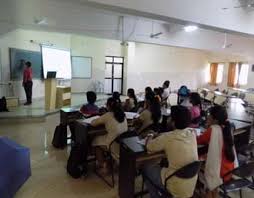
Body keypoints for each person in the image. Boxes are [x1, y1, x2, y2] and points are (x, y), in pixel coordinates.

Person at [142, 105, 198, 198]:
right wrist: (161, 135)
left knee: (146, 168)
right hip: (190, 185)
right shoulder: (192, 132)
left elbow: (149, 146)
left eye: (170, 117)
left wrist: (150, 135)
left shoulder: (168, 138)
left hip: (174, 184)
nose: (168, 119)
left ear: (174, 122)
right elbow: (175, 134)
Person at [197, 105, 236, 198]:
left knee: (198, 166)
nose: (208, 116)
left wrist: (207, 126)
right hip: (229, 169)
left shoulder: (213, 129)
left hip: (219, 171)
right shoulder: (228, 127)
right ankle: (214, 193)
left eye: (210, 115)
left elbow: (199, 140)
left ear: (215, 119)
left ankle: (208, 192)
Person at [91, 97, 128, 170]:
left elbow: (93, 123)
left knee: (95, 141)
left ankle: (103, 164)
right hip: (123, 144)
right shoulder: (123, 114)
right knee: (104, 137)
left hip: (113, 144)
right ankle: (112, 162)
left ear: (108, 106)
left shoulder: (108, 115)